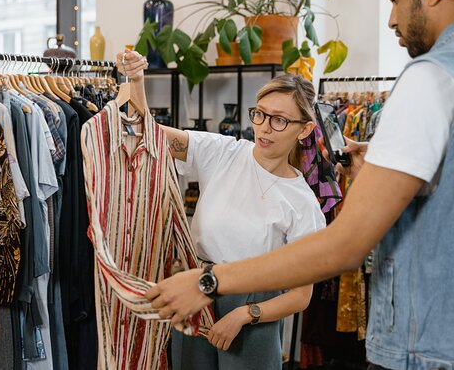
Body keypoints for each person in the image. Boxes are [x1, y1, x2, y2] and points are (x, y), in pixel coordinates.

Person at [145, 0, 454, 369]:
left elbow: (345, 245)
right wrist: (377, 180)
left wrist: (208, 282)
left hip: (427, 346)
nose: (392, 20)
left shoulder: (434, 78)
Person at [116, 50, 326, 369]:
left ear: (305, 129)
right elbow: (150, 135)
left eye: (279, 120)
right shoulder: (225, 152)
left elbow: (301, 295)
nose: (265, 127)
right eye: (259, 114)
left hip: (254, 303)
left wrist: (245, 314)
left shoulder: (302, 203)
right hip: (197, 288)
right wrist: (136, 80)